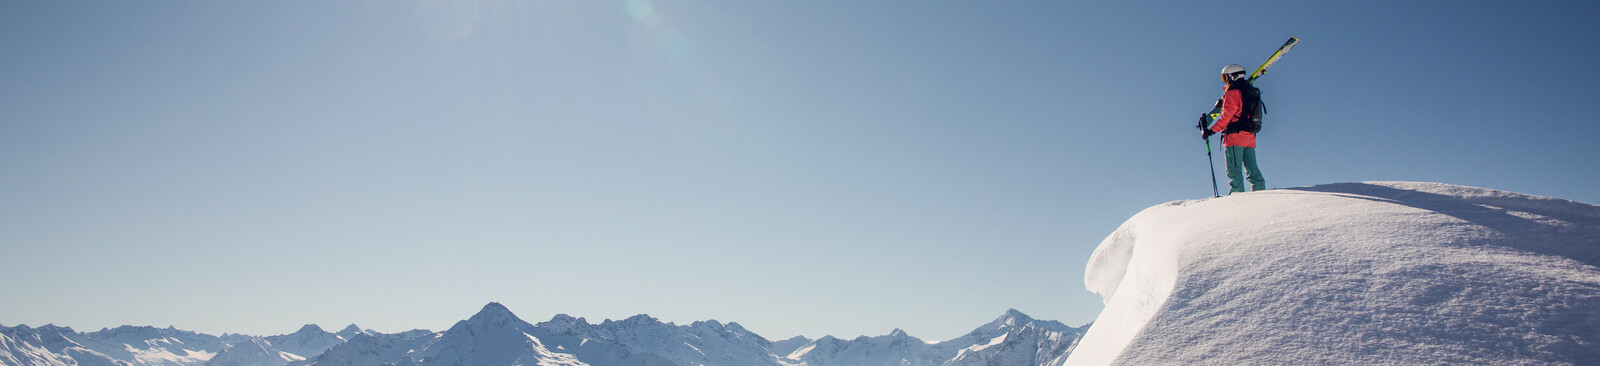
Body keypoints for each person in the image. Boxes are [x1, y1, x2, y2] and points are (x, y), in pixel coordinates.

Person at [1202, 64, 1265, 193]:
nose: (1224, 80)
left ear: (1232, 76)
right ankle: (1260, 196)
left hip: (1234, 139)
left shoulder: (1233, 93)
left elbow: (1226, 117)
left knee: (1234, 173)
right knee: (1253, 172)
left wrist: (1211, 130)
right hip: (1250, 138)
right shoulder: (1249, 91)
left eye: (1225, 77)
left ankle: (1237, 201)